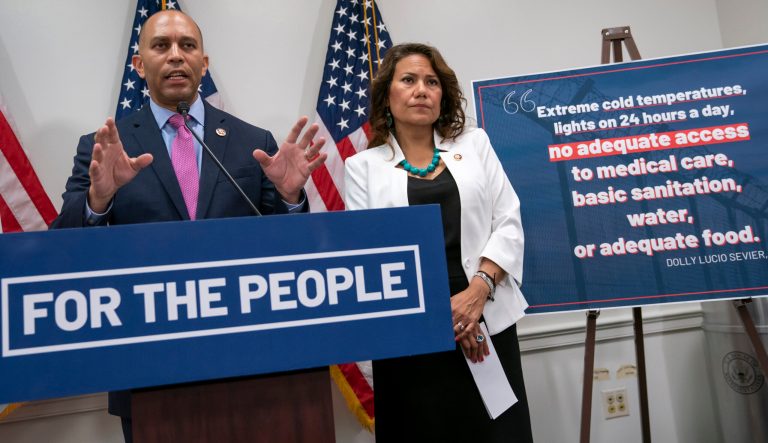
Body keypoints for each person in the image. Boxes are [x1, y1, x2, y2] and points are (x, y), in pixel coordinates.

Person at [49, 10, 326, 442]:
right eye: (161, 46)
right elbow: (62, 252)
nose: (176, 56)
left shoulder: (254, 143)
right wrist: (97, 200)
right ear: (139, 64)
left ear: (204, 61)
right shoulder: (106, 146)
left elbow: (290, 257)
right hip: (151, 373)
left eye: (188, 46)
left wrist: (291, 200)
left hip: (251, 367)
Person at [344, 43, 534, 442]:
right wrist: (447, 316)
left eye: (431, 82)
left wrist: (476, 294)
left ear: (443, 94)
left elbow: (509, 223)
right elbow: (369, 256)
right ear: (387, 95)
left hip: (487, 318)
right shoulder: (362, 168)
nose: (421, 90)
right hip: (410, 332)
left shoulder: (475, 145)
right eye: (409, 80)